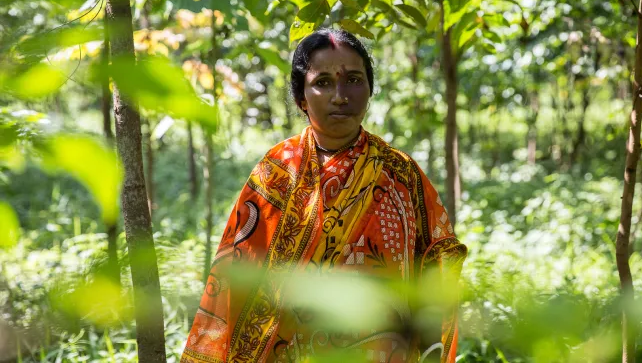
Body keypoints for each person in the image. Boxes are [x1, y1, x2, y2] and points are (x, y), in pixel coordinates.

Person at [181, 29, 467, 363]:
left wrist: (432, 350)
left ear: (370, 90)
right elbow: (238, 278)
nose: (340, 96)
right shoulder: (276, 173)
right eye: (323, 82)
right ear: (302, 97)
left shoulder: (401, 175)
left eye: (354, 80)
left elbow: (437, 261)